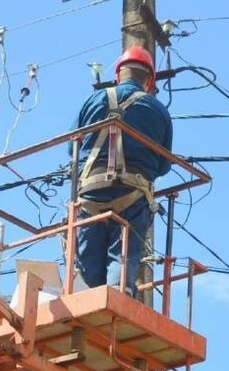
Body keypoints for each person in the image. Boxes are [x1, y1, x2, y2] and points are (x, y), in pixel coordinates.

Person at [73, 46, 174, 296]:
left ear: (118, 75)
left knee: (87, 264)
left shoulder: (93, 101)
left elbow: (73, 148)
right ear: (149, 81)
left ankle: (95, 299)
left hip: (92, 191)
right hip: (133, 193)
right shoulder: (159, 111)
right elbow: (163, 166)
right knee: (122, 256)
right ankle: (118, 298)